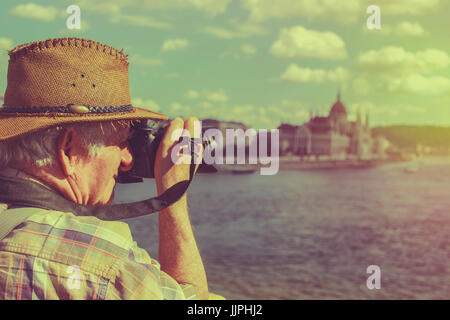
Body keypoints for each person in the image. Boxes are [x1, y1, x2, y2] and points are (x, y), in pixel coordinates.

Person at [0, 38, 208, 300]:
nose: (127, 160)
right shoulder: (102, 263)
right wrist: (173, 194)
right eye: (122, 142)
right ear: (68, 150)